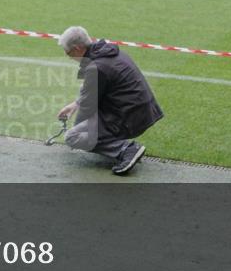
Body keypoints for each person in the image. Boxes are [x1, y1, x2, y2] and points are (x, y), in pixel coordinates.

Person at [56, 26, 163, 175]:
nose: (67, 56)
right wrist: (75, 105)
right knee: (85, 127)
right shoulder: (105, 53)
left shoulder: (96, 67)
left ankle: (126, 150)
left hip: (131, 117)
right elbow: (90, 92)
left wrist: (80, 131)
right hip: (139, 111)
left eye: (68, 52)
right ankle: (117, 145)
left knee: (73, 137)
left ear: (78, 48)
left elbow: (88, 108)